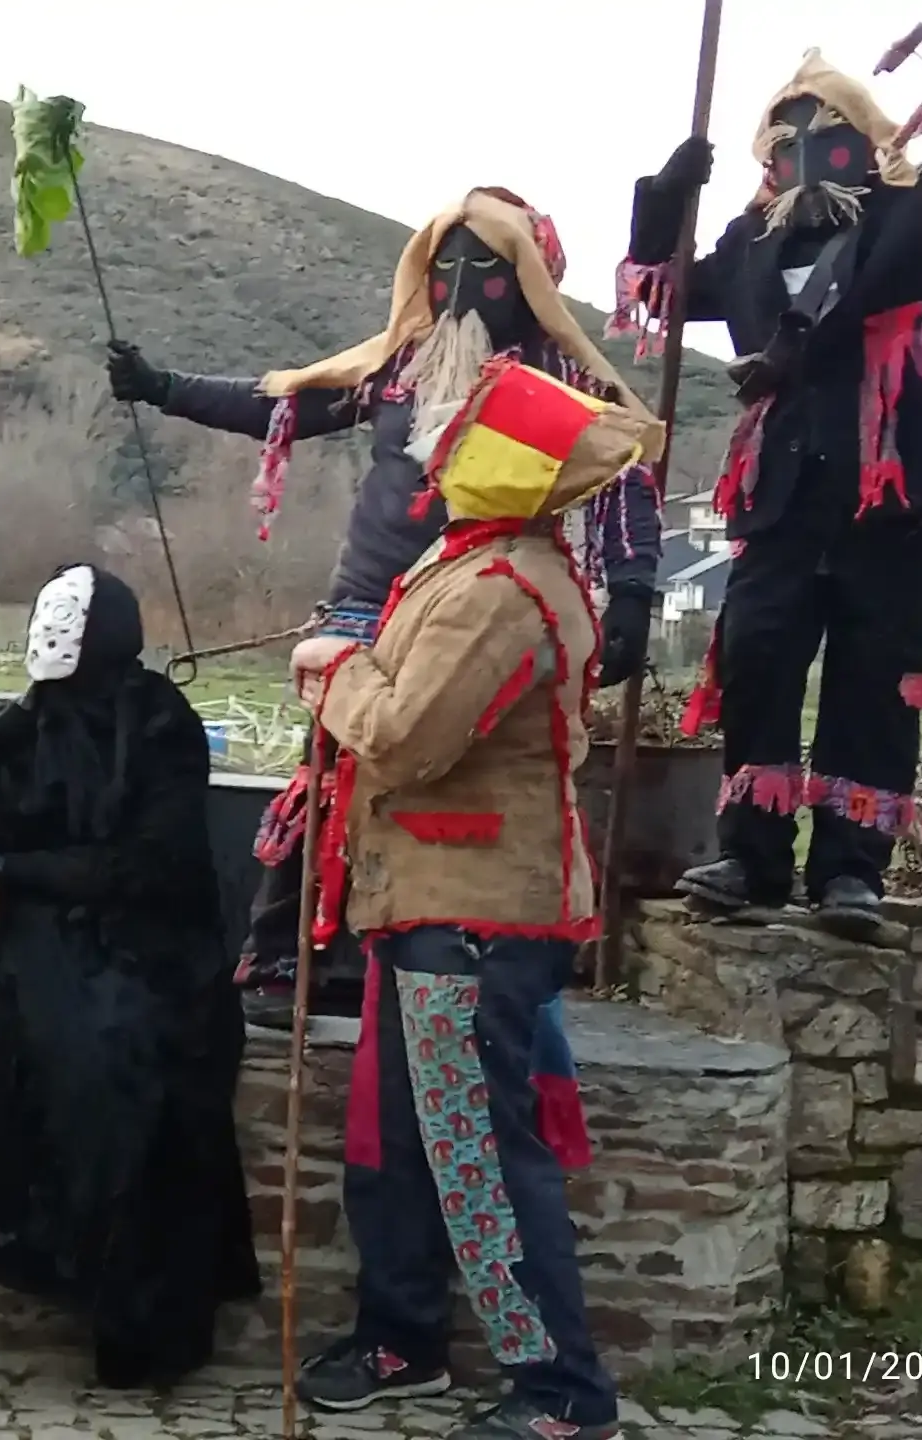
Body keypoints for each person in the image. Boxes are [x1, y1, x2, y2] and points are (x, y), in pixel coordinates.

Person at [107, 188, 664, 1030]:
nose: (463, 283)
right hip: (369, 603)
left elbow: (622, 477)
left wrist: (633, 592)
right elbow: (287, 405)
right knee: (332, 775)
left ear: (529, 279)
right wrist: (163, 388)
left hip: (487, 609)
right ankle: (284, 960)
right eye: (447, 266)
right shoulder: (400, 367)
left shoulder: (563, 384)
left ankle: (417, 963)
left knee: (454, 781)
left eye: (488, 267)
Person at [286, 357, 652, 1440]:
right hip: (433, 906)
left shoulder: (502, 592)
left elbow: (405, 736)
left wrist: (332, 671)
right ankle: (403, 1339)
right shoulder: (472, 565)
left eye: (453, 445)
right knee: (407, 1142)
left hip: (473, 919)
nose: (433, 459)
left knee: (480, 1159)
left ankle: (562, 1392)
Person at [621, 53, 922, 941]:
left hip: (892, 484)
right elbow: (663, 290)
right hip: (780, 486)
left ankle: (851, 869)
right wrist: (663, 201)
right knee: (757, 653)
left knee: (877, 671)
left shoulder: (918, 208)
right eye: (787, 144)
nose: (806, 156)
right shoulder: (749, 241)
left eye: (828, 136)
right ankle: (752, 856)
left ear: (865, 140)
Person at [0, 563, 256, 1389]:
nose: (52, 638)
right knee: (41, 1045)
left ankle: (143, 1316)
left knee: (136, 1064)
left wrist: (18, 867)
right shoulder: (32, 721)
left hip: (154, 939)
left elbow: (155, 862)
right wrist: (11, 720)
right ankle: (73, 1269)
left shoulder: (159, 721)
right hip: (47, 937)